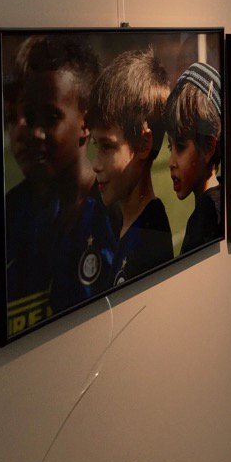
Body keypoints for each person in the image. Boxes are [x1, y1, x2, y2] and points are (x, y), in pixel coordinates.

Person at [2, 35, 116, 334]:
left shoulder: (112, 212)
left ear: (86, 123)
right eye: (17, 117)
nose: (29, 133)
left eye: (50, 117)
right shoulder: (9, 214)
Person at [87, 48, 174, 286]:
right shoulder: (119, 222)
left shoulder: (149, 240)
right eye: (96, 145)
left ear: (144, 143)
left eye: (107, 147)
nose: (95, 165)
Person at [164, 62, 223, 254]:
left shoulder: (205, 219)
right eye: (170, 147)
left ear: (208, 147)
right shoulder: (221, 199)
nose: (171, 162)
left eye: (181, 147)